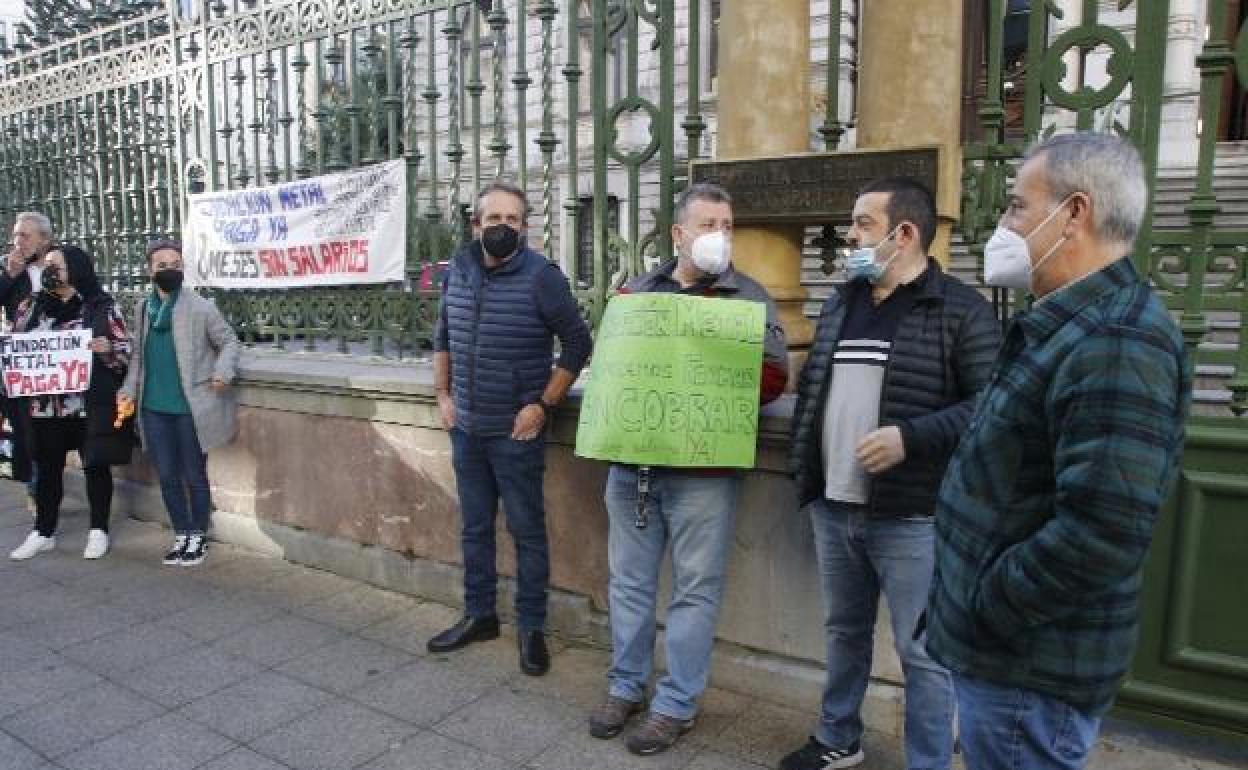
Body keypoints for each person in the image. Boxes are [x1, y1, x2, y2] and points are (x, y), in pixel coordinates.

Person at [926, 132, 1190, 770]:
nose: (1004, 224)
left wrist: (989, 605)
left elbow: (1102, 533)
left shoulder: (1118, 341)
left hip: (1030, 668)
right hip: (1014, 661)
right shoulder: (1070, 321)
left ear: (1073, 213)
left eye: (1017, 206)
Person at [781, 178, 1002, 770]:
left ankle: (928, 762)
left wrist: (911, 437)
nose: (849, 234)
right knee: (844, 631)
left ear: (904, 233)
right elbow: (814, 392)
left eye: (862, 223)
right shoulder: (842, 299)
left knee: (923, 652)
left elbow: (993, 404)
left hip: (914, 514)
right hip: (834, 506)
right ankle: (838, 739)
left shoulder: (962, 310)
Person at [588, 183, 789, 756]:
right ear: (678, 234)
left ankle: (675, 704)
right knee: (628, 584)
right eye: (707, 225)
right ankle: (625, 688)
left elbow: (776, 377)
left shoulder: (748, 296)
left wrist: (714, 357)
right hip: (634, 469)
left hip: (703, 473)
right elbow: (610, 368)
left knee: (695, 591)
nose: (719, 236)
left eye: (727, 225)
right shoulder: (634, 292)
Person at [427, 181, 593, 677]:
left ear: (524, 228)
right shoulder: (457, 270)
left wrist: (543, 405)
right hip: (467, 428)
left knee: (526, 531)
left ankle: (531, 628)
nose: (503, 227)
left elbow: (578, 344)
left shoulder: (543, 278)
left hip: (516, 431)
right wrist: (442, 394)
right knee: (475, 527)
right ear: (476, 225)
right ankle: (479, 615)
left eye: (514, 220)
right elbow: (442, 334)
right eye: (493, 218)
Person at [118, 240, 241, 567]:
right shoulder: (143, 309)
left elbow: (229, 341)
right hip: (153, 408)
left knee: (194, 474)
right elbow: (138, 360)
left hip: (190, 408)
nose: (170, 270)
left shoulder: (200, 307)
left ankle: (199, 533)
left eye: (176, 263)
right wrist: (128, 390)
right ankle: (182, 532)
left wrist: (222, 370)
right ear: (150, 271)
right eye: (162, 265)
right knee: (168, 475)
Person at [8, 244, 131, 561]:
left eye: (57, 267)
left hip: (88, 404)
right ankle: (43, 531)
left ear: (76, 270)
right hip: (45, 406)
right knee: (47, 469)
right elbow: (15, 350)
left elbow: (125, 354)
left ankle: (98, 530)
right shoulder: (30, 307)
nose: (50, 272)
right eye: (46, 266)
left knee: (95, 466)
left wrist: (106, 348)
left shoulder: (100, 306)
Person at [0, 212, 54, 502]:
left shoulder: (59, 263)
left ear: (44, 240)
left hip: (56, 363)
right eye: (15, 235)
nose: (17, 241)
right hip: (23, 364)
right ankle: (37, 494)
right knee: (27, 429)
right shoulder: (9, 269)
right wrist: (9, 276)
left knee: (52, 430)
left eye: (25, 235)